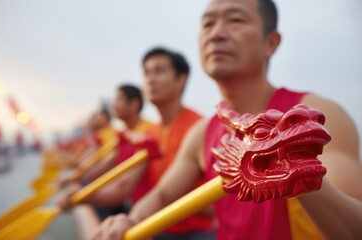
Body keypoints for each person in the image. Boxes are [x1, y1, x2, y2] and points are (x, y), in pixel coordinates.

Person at [92, 0, 362, 239]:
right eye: (207, 24)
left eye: (235, 20)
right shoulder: (203, 133)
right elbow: (162, 195)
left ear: (270, 42)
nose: (216, 34)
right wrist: (130, 219)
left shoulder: (313, 117)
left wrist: (303, 177)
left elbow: (354, 230)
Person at [59, 47, 215, 240]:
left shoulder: (200, 128)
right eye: (146, 73)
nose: (150, 79)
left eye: (159, 71)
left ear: (181, 79)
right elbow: (124, 185)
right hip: (153, 223)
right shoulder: (149, 133)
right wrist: (82, 194)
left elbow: (214, 207)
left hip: (193, 232)